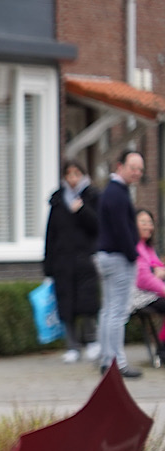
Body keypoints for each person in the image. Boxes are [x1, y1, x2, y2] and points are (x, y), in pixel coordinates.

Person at [93, 148, 146, 378]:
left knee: (108, 310)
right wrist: (133, 255)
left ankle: (107, 359)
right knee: (118, 312)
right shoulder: (117, 194)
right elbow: (121, 229)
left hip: (107, 257)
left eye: (140, 169)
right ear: (120, 166)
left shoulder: (112, 191)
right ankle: (117, 363)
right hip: (118, 258)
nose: (137, 173)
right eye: (133, 168)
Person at [44, 160, 100, 362]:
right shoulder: (58, 201)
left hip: (85, 259)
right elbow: (51, 234)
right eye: (69, 174)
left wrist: (82, 210)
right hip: (63, 262)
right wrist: (48, 267)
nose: (73, 178)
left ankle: (92, 341)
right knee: (66, 305)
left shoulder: (92, 196)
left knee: (87, 302)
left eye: (77, 174)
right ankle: (72, 346)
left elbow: (98, 226)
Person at [133, 208, 165, 365]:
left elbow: (159, 268)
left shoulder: (148, 247)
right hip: (139, 296)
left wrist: (159, 272)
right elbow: (143, 279)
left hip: (152, 293)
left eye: (150, 222)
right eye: (143, 222)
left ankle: (162, 349)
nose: (148, 226)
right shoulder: (135, 247)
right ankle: (162, 351)